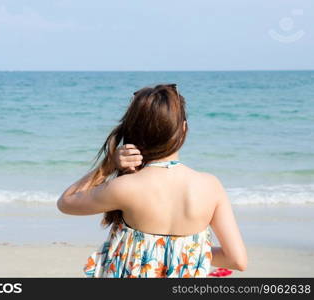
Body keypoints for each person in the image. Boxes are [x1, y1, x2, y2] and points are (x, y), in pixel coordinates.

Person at [57, 84, 247, 278]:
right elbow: (237, 260)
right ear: (183, 129)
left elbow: (66, 202)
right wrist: (186, 252)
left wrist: (108, 166)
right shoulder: (210, 186)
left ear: (136, 134)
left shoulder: (126, 187)